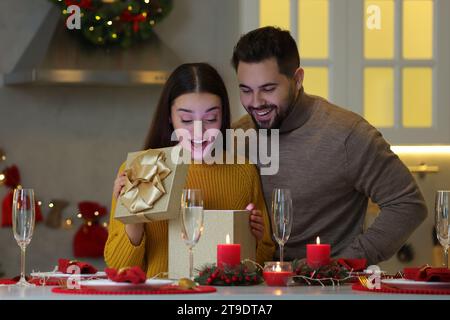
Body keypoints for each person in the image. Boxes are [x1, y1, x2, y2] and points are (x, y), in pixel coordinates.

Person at [231, 26, 427, 265]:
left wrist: (342, 265)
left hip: (328, 288)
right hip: (256, 287)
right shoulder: (238, 134)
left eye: (268, 89)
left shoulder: (346, 134)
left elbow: (407, 204)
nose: (256, 102)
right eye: (245, 90)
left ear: (298, 79)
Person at [104, 63, 275, 277]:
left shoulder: (243, 171)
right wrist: (135, 220)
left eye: (210, 119)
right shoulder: (141, 169)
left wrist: (254, 240)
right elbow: (119, 267)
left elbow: (264, 257)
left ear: (222, 117)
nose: (198, 131)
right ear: (169, 117)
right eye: (186, 120)